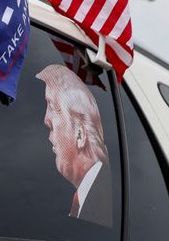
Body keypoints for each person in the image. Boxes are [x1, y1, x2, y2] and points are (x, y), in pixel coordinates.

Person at [36, 64, 112, 228]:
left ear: (80, 134)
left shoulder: (99, 204)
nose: (46, 119)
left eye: (52, 106)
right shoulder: (94, 196)